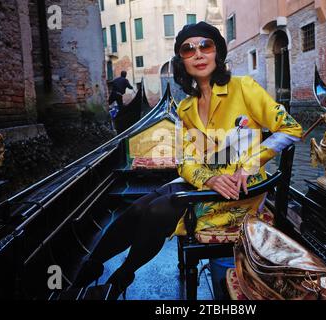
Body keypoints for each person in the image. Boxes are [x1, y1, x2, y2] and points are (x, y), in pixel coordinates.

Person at [73, 21, 302, 299]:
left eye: (205, 45)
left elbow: (290, 129)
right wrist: (210, 178)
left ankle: (121, 278)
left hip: (241, 189)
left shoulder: (245, 88)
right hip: (205, 184)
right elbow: (187, 162)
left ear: (217, 52)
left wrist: (248, 164)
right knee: (137, 209)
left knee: (157, 212)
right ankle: (89, 269)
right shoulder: (186, 107)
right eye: (188, 49)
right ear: (182, 60)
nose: (198, 53)